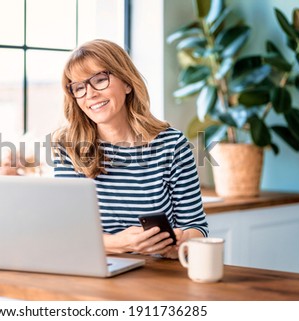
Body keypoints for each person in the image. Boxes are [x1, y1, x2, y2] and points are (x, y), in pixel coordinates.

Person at [52, 39, 208, 259]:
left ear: (127, 83)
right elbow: (67, 234)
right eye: (79, 87)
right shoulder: (68, 148)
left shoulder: (172, 145)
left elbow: (197, 227)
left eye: (99, 80)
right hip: (95, 271)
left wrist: (182, 241)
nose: (90, 94)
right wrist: (119, 243)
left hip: (158, 276)